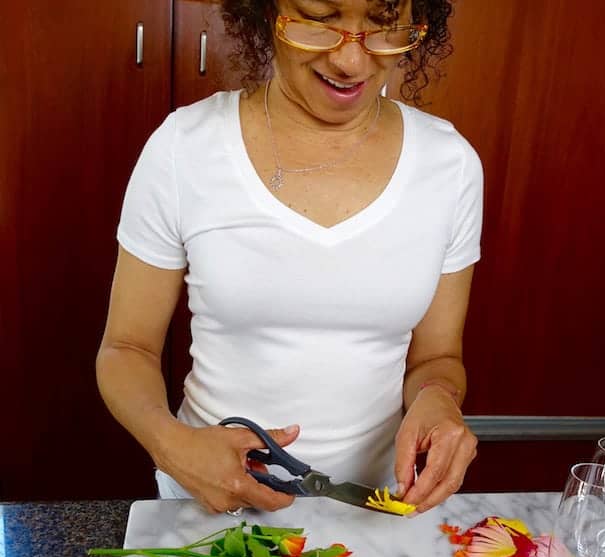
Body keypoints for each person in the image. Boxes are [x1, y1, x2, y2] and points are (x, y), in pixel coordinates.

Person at [96, 0, 482, 516]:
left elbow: (437, 359)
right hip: (206, 501)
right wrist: (173, 446)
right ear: (264, 13)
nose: (351, 62)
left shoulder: (449, 165)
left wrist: (439, 399)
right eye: (320, 21)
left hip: (377, 508)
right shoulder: (184, 148)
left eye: (383, 26)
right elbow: (126, 348)